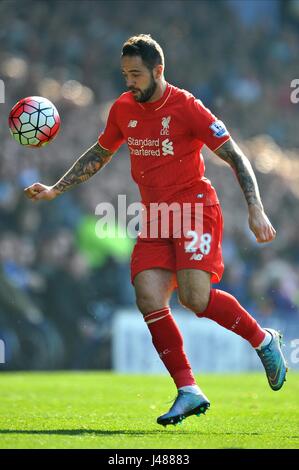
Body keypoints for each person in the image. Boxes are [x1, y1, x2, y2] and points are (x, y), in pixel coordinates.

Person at [24, 34, 288, 427]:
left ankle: (263, 340)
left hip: (195, 208)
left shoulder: (187, 107)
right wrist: (56, 188)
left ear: (157, 71)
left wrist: (256, 208)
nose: (129, 81)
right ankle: (188, 389)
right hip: (156, 216)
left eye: (136, 74)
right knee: (148, 294)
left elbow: (234, 154)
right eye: (124, 74)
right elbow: (99, 153)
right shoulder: (122, 109)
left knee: (195, 299)